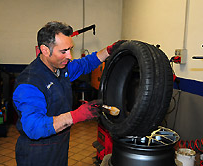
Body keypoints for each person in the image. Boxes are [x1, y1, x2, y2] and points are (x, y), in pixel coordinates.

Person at [13, 21, 122, 166]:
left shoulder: (61, 69)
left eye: (70, 49)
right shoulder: (29, 83)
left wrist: (108, 51)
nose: (69, 56)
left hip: (60, 145)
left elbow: (85, 64)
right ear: (45, 50)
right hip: (37, 152)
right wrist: (76, 115)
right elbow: (34, 127)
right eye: (63, 51)